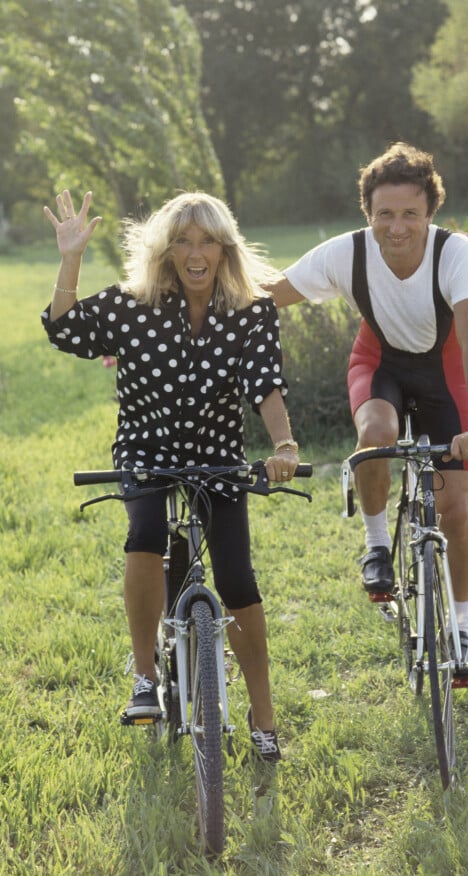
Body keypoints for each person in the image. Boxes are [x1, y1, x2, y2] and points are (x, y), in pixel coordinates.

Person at [42, 189, 300, 761]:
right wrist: (71, 258)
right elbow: (65, 331)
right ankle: (144, 678)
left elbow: (264, 385)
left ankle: (263, 713)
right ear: (166, 251)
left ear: (224, 247)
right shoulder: (135, 305)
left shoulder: (252, 311)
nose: (195, 252)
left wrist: (283, 443)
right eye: (182, 240)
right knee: (146, 535)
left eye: (206, 239)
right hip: (145, 451)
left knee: (237, 581)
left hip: (218, 457)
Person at [268, 142, 468, 680]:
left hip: (447, 373)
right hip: (380, 362)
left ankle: (460, 631)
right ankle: (376, 547)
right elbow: (268, 292)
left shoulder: (455, 253)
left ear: (430, 213)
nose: (397, 227)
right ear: (368, 213)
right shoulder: (345, 253)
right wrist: (188, 281)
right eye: (384, 214)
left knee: (455, 509)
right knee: (375, 432)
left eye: (410, 214)